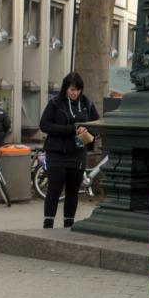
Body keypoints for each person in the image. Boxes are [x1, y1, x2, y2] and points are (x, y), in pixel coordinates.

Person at [38, 72, 101, 229]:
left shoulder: (87, 104)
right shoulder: (55, 103)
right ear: (66, 88)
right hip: (57, 152)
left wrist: (87, 131)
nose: (75, 93)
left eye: (78, 90)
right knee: (54, 189)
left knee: (73, 191)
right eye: (72, 89)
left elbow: (97, 125)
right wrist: (71, 129)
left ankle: (68, 224)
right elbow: (44, 125)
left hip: (78, 153)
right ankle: (48, 223)